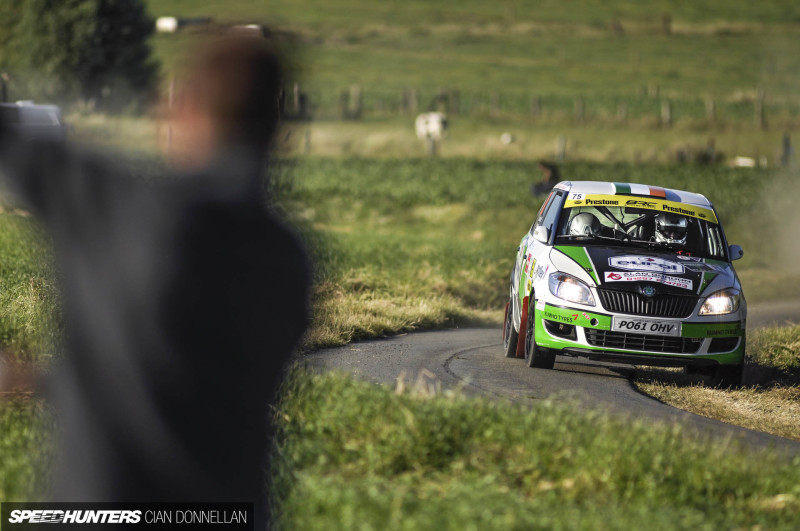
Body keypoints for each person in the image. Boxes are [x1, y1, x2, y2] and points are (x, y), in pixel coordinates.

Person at [0, 37, 309, 529]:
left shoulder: (116, 206)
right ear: (280, 131)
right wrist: (42, 379)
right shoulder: (288, 257)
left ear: (182, 109)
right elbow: (181, 380)